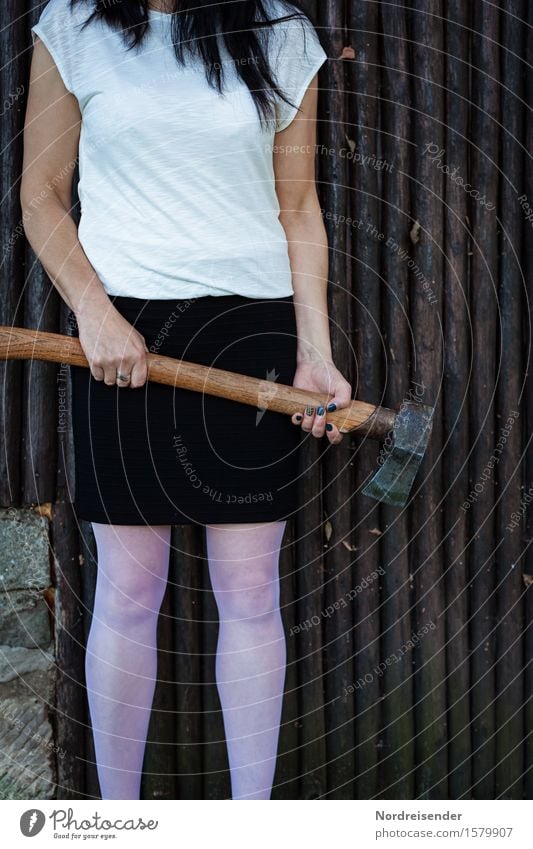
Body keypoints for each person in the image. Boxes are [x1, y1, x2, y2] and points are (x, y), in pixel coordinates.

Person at [21, 0, 352, 800]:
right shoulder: (71, 26)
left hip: (250, 336)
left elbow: (297, 207)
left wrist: (313, 351)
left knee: (247, 593)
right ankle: (120, 819)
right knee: (129, 592)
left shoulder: (278, 30)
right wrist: (96, 317)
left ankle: (249, 820)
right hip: (120, 333)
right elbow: (40, 194)